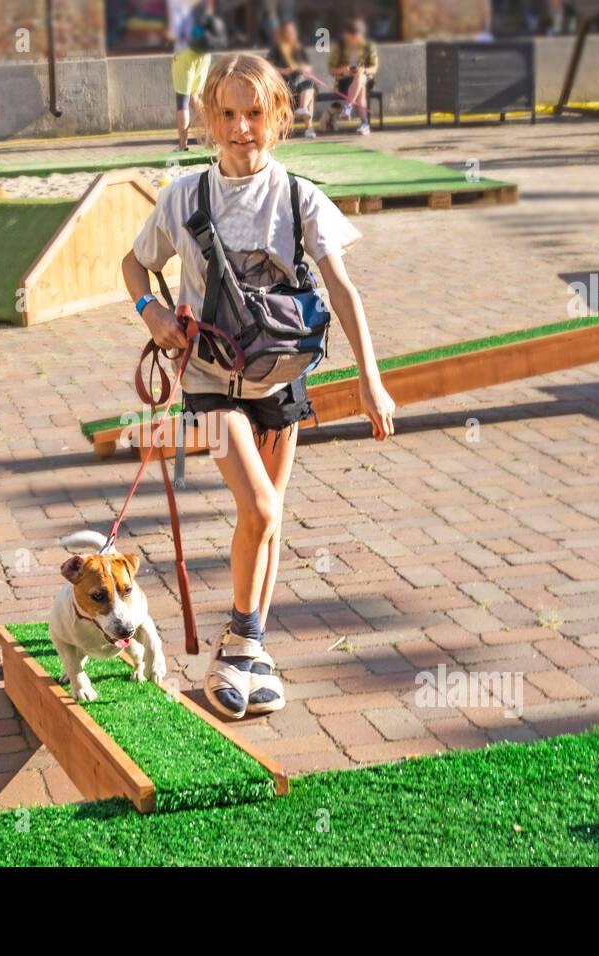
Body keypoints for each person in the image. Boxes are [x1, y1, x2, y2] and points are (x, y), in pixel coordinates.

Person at [120, 54, 396, 720]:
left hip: (282, 376)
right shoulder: (185, 195)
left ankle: (251, 650)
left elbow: (343, 290)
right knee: (263, 510)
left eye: (255, 113)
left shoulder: (299, 197)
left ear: (278, 116)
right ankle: (235, 645)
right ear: (208, 117)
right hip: (210, 379)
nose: (242, 127)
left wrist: (371, 381)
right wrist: (152, 312)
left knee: (264, 522)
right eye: (228, 114)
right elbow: (134, 264)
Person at [169, 0, 223, 152]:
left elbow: (175, 33)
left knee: (182, 101)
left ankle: (182, 145)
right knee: (194, 97)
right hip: (204, 54)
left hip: (185, 53)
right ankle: (212, 137)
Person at [324, 18, 377, 136]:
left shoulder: (369, 46)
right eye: (351, 38)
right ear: (347, 35)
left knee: (361, 77)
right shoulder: (339, 47)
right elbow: (331, 70)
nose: (354, 41)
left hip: (367, 79)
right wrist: (343, 70)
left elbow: (374, 68)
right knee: (361, 87)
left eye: (356, 38)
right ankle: (364, 124)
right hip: (344, 81)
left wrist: (364, 70)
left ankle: (348, 106)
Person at [267, 20, 317, 138]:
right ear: (284, 33)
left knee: (310, 85)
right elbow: (268, 66)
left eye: (293, 32)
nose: (291, 34)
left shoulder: (298, 48)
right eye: (289, 32)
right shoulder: (277, 48)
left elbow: (308, 67)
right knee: (309, 93)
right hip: (284, 83)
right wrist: (284, 70)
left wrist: (304, 68)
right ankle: (308, 126)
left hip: (299, 81)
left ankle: (303, 108)